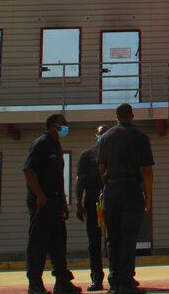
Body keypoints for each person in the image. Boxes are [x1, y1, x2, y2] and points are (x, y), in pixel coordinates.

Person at [98, 103, 154, 294]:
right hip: (131, 187)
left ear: (116, 117)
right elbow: (147, 171)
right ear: (132, 116)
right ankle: (126, 281)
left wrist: (107, 187)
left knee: (113, 237)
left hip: (111, 188)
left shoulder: (105, 138)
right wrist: (148, 197)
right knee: (129, 236)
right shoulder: (140, 137)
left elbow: (101, 167)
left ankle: (114, 281)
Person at [23, 113, 81, 294]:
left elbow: (58, 179)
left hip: (55, 201)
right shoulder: (41, 144)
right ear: (53, 125)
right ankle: (35, 284)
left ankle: (62, 281)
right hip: (42, 202)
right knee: (38, 243)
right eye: (63, 124)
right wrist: (40, 196)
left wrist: (63, 203)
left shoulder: (56, 146)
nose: (66, 127)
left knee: (58, 242)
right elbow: (29, 171)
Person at [75, 125, 107, 291]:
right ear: (96, 136)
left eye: (106, 133)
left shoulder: (115, 154)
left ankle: (121, 276)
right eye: (100, 134)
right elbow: (80, 180)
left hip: (111, 198)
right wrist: (78, 203)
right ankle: (97, 279)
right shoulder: (87, 155)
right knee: (94, 241)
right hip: (92, 199)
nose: (103, 136)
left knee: (116, 239)